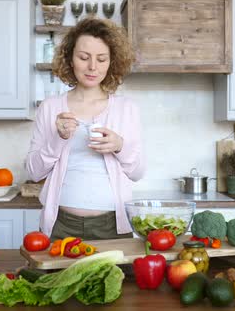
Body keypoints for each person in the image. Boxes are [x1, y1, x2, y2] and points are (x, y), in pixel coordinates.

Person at [26, 17, 145, 240]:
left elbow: (137, 172)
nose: (92, 67)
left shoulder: (126, 108)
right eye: (84, 57)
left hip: (112, 225)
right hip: (61, 224)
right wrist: (58, 138)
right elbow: (33, 172)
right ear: (71, 59)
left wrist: (120, 146)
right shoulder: (50, 107)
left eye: (101, 59)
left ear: (111, 63)